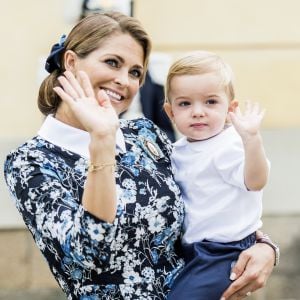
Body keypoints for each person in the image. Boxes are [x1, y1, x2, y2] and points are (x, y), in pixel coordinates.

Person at [4, 12, 276, 300]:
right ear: (71, 62)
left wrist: (264, 246)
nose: (124, 80)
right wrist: (102, 141)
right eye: (112, 62)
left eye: (135, 72)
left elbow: (207, 193)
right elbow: (88, 252)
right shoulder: (30, 162)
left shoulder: (145, 134)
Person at [163, 51, 274, 300]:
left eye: (211, 102)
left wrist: (252, 140)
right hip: (192, 250)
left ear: (230, 108)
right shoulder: (177, 151)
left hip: (225, 250)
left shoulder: (230, 144)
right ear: (170, 112)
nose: (198, 111)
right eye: (185, 103)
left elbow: (256, 181)